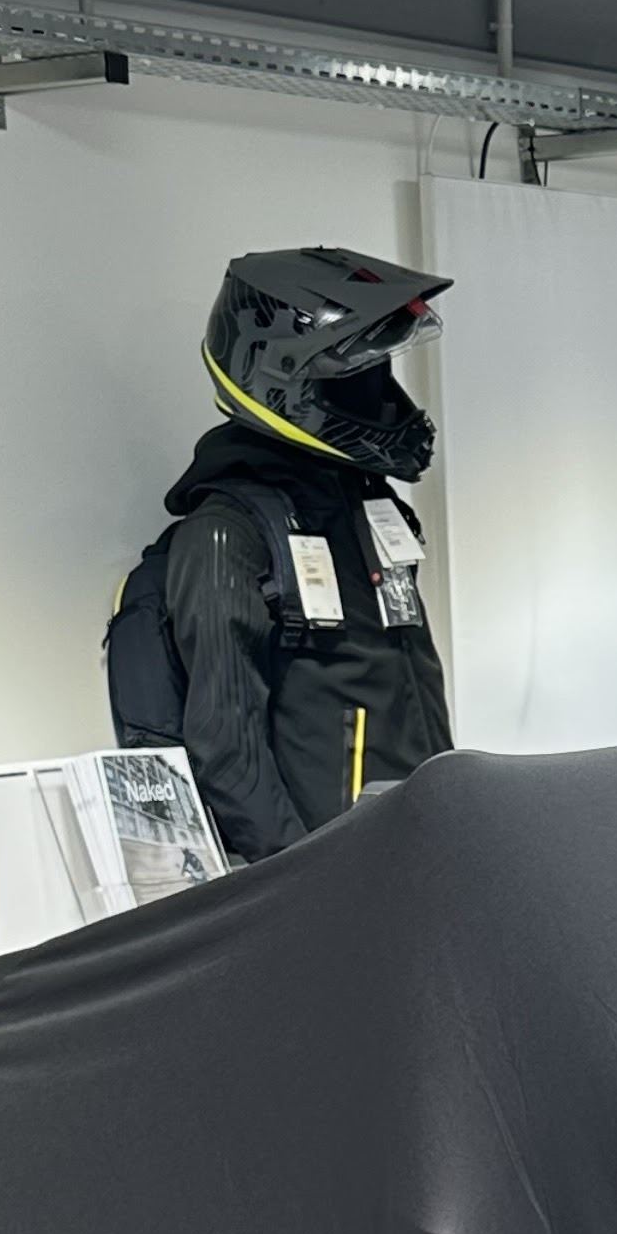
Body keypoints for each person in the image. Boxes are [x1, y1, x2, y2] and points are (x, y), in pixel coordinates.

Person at [157, 245, 454, 863]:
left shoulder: (369, 506)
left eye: (378, 373)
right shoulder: (226, 534)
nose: (379, 395)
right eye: (354, 378)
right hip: (337, 877)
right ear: (284, 381)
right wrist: (307, 883)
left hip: (424, 851)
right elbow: (228, 752)